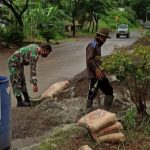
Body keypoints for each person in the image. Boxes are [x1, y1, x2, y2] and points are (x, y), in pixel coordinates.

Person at [86, 28, 113, 112]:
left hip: (100, 74)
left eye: (106, 38)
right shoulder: (93, 44)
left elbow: (96, 59)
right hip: (94, 75)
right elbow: (89, 60)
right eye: (104, 38)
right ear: (99, 36)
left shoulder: (98, 45)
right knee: (92, 93)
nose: (105, 40)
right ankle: (88, 111)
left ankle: (106, 111)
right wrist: (96, 69)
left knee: (109, 90)